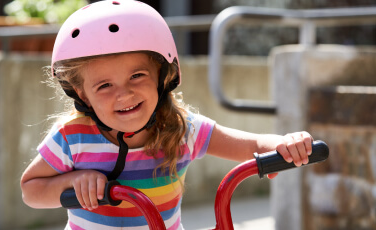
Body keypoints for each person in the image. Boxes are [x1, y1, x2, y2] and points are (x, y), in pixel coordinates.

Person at [20, 0, 313, 229]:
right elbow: (30, 191)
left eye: (137, 76)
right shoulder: (72, 137)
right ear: (82, 94)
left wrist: (285, 144)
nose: (124, 94)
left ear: (162, 76)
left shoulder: (182, 129)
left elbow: (251, 146)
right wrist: (74, 180)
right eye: (105, 85)